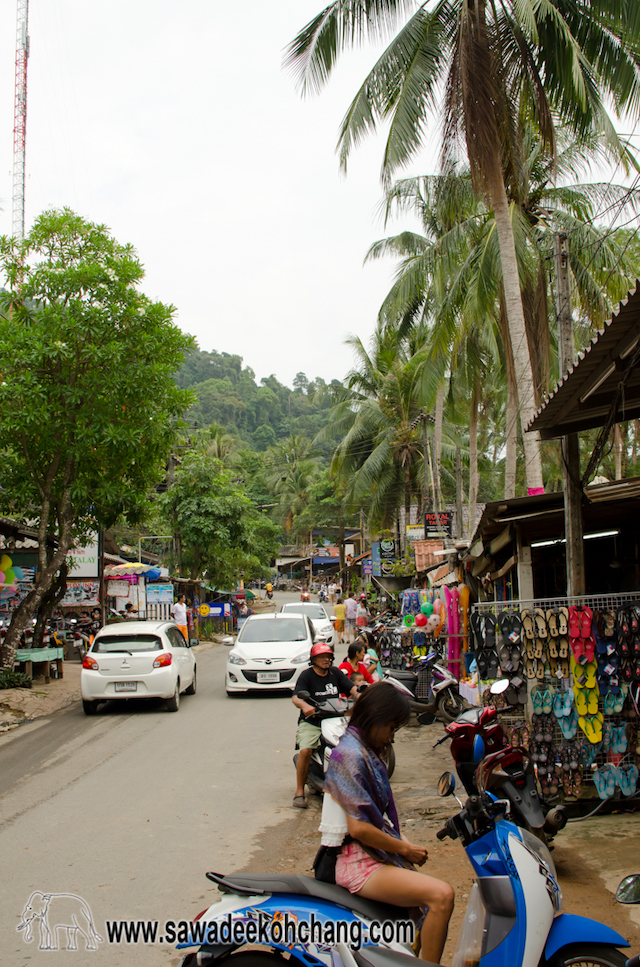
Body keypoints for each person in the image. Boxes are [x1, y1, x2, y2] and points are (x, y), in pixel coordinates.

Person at [323, 682, 455, 963]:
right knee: (441, 896)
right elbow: (359, 828)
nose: (392, 737)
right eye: (392, 728)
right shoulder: (350, 755)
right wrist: (403, 850)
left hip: (370, 856)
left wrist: (401, 843)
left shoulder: (361, 750)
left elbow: (377, 819)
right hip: (358, 863)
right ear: (376, 717)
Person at [292, 643, 358, 809]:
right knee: (306, 749)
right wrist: (305, 706)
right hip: (313, 721)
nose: (326, 660)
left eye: (328, 657)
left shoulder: (335, 673)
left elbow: (352, 689)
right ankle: (299, 791)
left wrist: (360, 696)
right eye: (322, 657)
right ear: (314, 659)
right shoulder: (306, 676)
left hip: (336, 719)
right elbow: (296, 697)